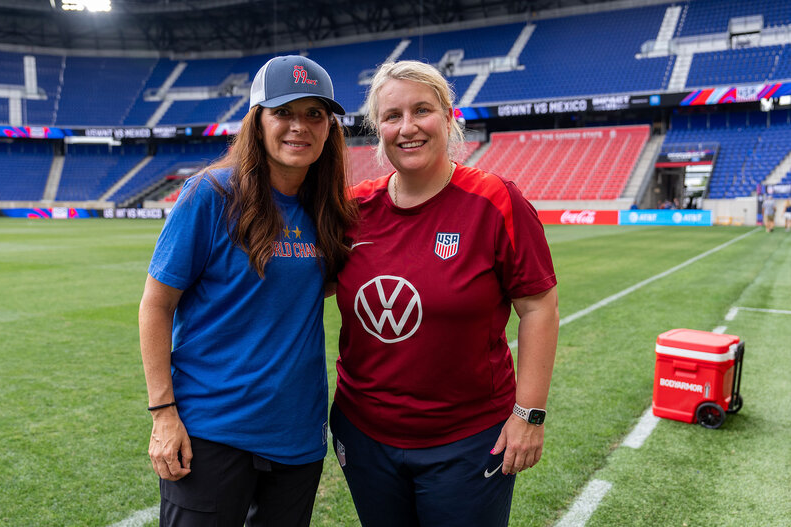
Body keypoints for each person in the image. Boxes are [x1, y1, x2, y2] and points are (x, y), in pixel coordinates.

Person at [330, 60, 559, 527]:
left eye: (422, 111)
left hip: (469, 439)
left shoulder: (496, 202)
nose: (407, 127)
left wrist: (529, 414)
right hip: (364, 435)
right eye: (392, 116)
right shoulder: (351, 210)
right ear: (378, 129)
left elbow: (538, 306)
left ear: (449, 116)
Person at [138, 55, 355, 527]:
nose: (300, 127)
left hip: (298, 433)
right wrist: (162, 414)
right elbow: (156, 306)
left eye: (314, 114)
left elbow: (307, 292)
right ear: (257, 121)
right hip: (212, 430)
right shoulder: (210, 195)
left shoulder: (329, 209)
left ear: (329, 128)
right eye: (284, 112)